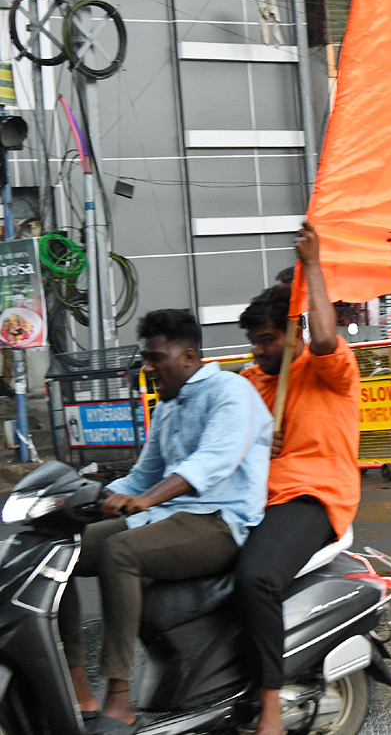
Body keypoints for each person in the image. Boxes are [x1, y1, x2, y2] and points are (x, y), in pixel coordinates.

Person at [60, 310, 272, 733]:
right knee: (59, 551)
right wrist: (87, 497)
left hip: (220, 520)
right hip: (170, 515)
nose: (149, 367)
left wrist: (145, 499)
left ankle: (118, 699)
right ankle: (75, 684)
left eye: (157, 358)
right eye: (146, 358)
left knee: (120, 553)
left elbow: (211, 462)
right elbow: (144, 474)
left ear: (190, 356)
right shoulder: (169, 406)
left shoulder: (230, 392)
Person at [236, 221, 362, 735]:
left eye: (266, 340)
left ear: (291, 333)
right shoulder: (248, 382)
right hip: (252, 502)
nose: (258, 352)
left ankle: (270, 704)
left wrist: (312, 264)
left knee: (255, 578)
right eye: (252, 342)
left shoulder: (328, 367)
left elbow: (326, 335)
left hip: (312, 498)